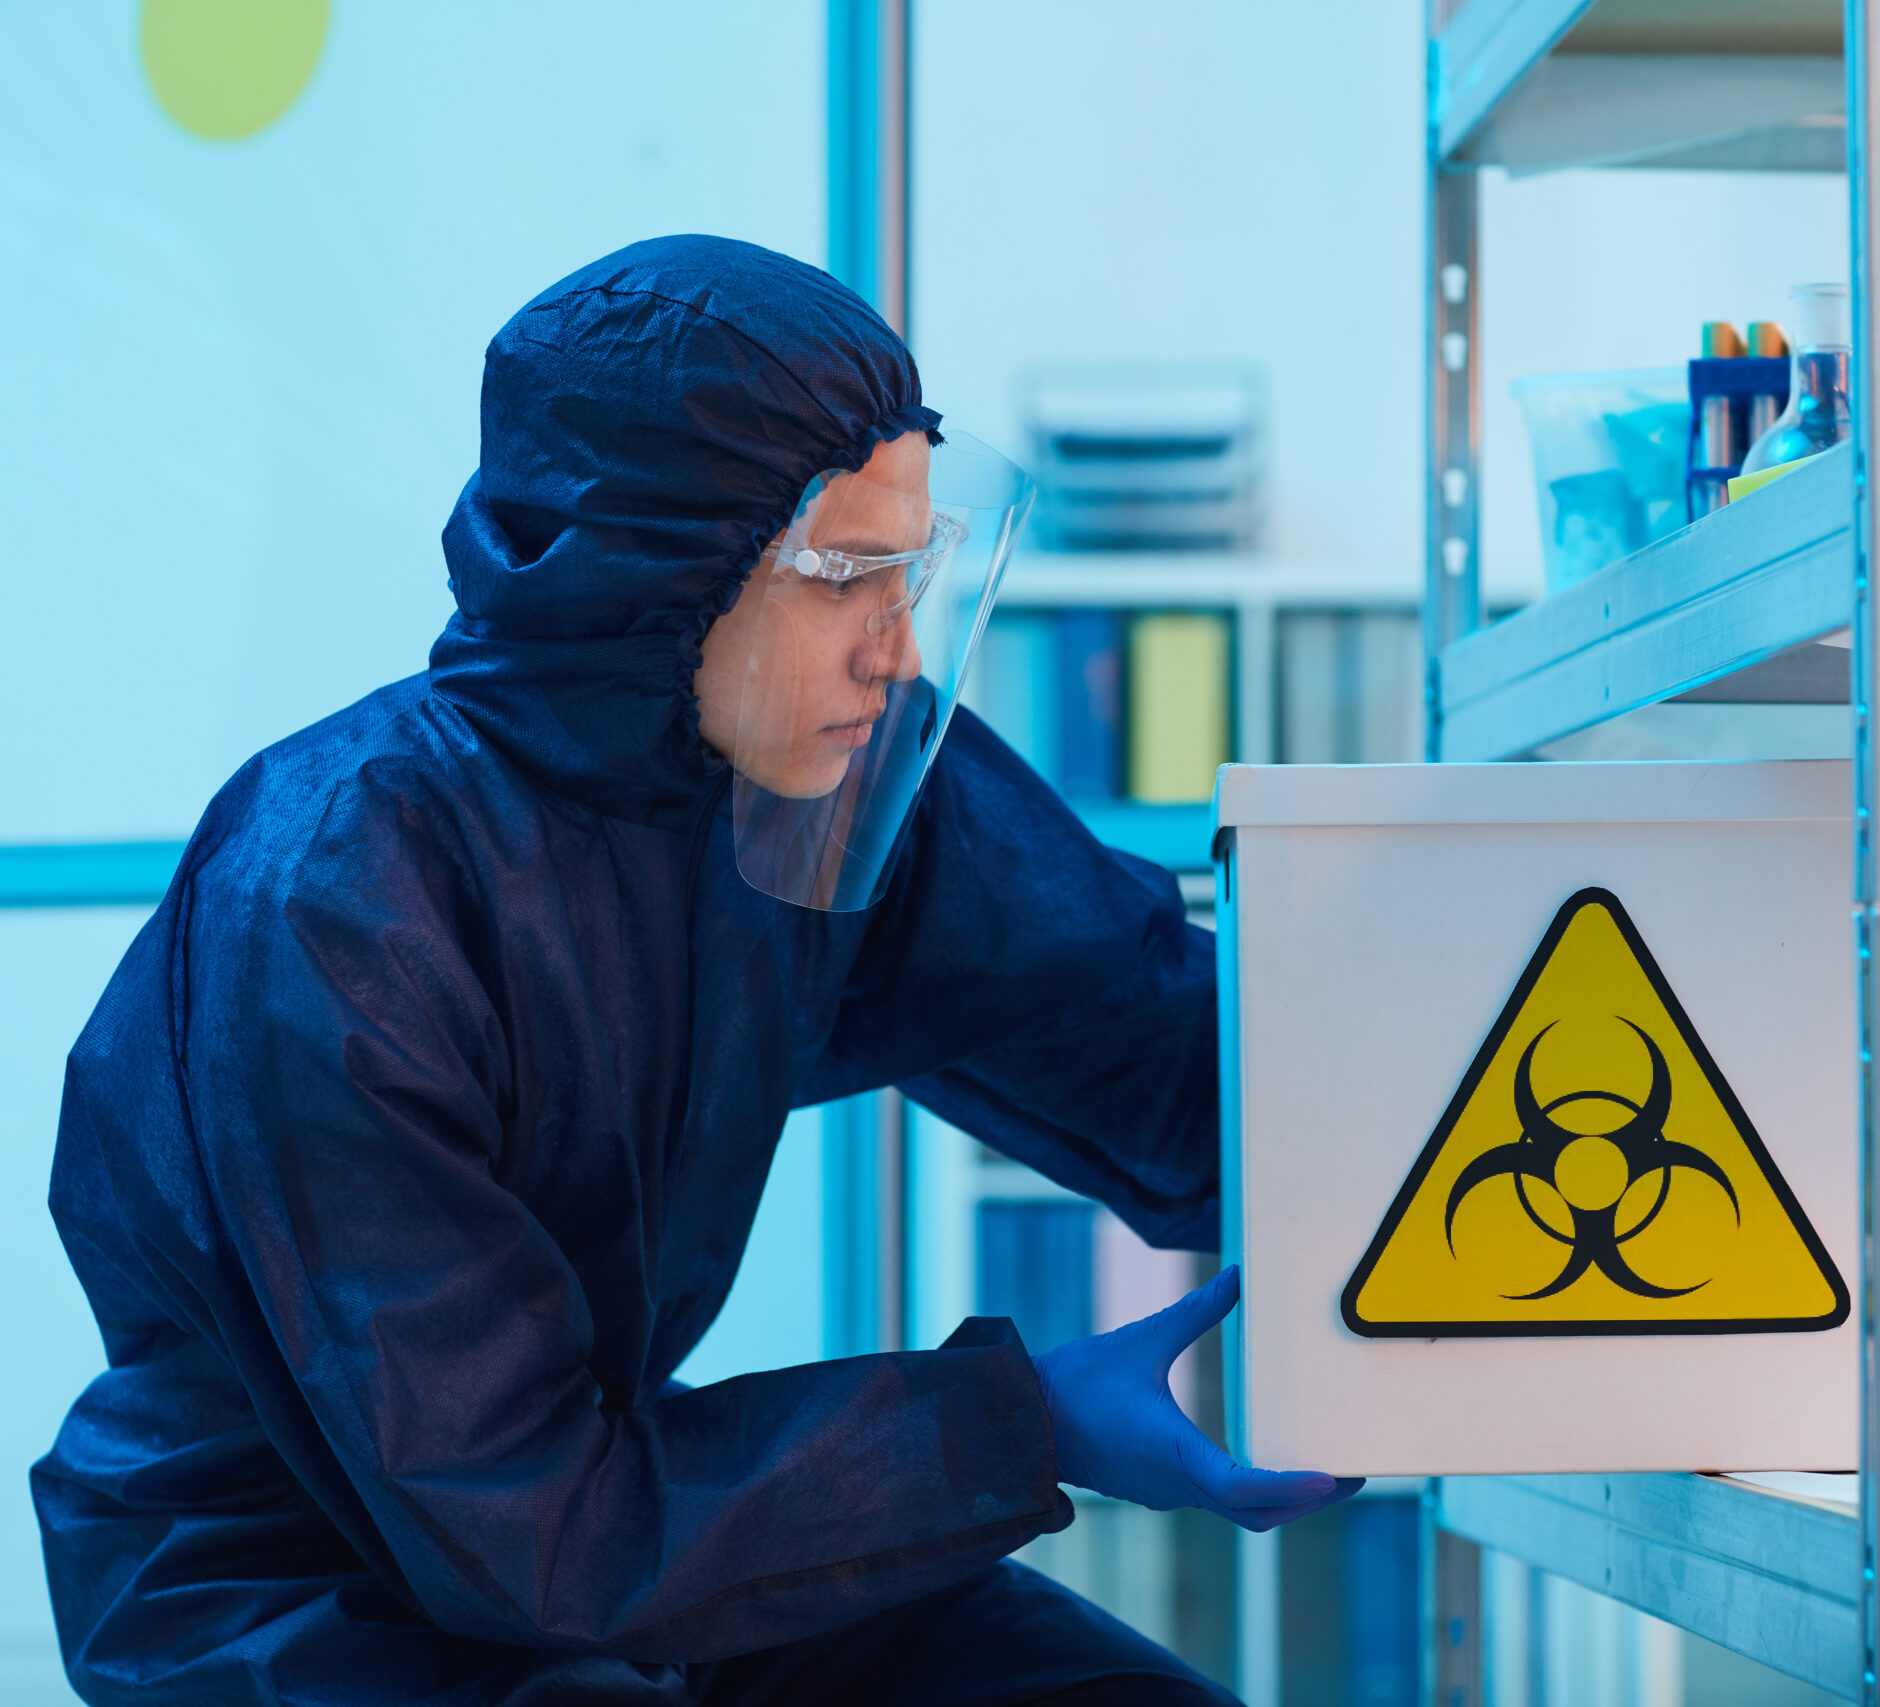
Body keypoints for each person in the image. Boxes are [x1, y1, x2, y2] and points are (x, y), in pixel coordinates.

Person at [33, 234, 1356, 1706]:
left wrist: (1453, 1168)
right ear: (647, 571)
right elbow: (512, 1520)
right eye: (846, 576)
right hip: (302, 1596)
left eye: (909, 573)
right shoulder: (340, 905)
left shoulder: (809, 779)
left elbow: (1145, 1045)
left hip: (624, 1533)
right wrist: (1022, 1427)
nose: (893, 648)